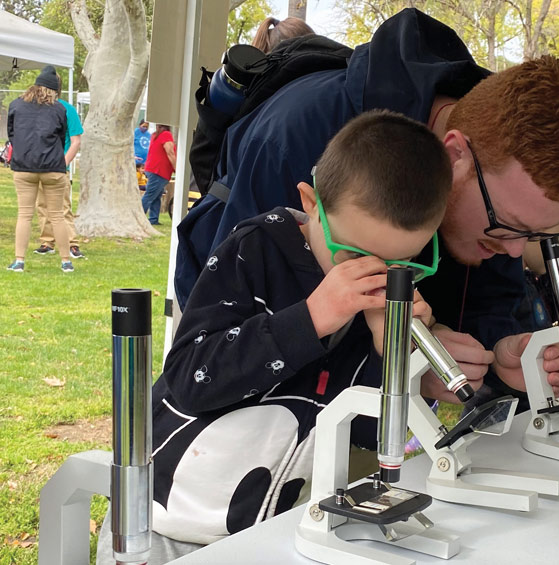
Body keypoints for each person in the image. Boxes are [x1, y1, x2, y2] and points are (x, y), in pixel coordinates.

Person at [176, 9, 559, 405]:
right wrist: (393, 350)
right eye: (507, 228)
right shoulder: (297, 136)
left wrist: (494, 360)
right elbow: (217, 352)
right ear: (455, 155)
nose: (516, 253)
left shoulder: (498, 192)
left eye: (535, 236)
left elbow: (481, 312)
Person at [96, 110, 450, 563]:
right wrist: (310, 318)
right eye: (354, 254)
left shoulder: (386, 298)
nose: (375, 274)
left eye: (403, 263)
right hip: (162, 521)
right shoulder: (256, 250)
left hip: (273, 532)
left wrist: (390, 355)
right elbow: (189, 377)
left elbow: (369, 434)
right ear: (310, 202)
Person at [7, 67, 74, 273]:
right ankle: (65, 262)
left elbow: (11, 134)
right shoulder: (59, 109)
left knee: (25, 215)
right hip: (53, 167)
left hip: (24, 166)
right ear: (53, 90)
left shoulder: (16, 105)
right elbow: (62, 137)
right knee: (57, 216)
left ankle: (19, 261)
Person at [32, 67, 85, 259]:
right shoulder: (36, 108)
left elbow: (76, 140)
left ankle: (71, 243)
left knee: (62, 206)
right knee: (42, 205)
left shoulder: (66, 109)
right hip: (39, 165)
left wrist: (63, 163)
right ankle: (47, 242)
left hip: (58, 166)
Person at [142, 124, 176, 225]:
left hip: (152, 169)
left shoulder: (156, 134)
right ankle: (139, 216)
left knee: (156, 195)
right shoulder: (166, 135)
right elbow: (170, 152)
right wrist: (176, 168)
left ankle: (153, 219)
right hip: (159, 171)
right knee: (150, 195)